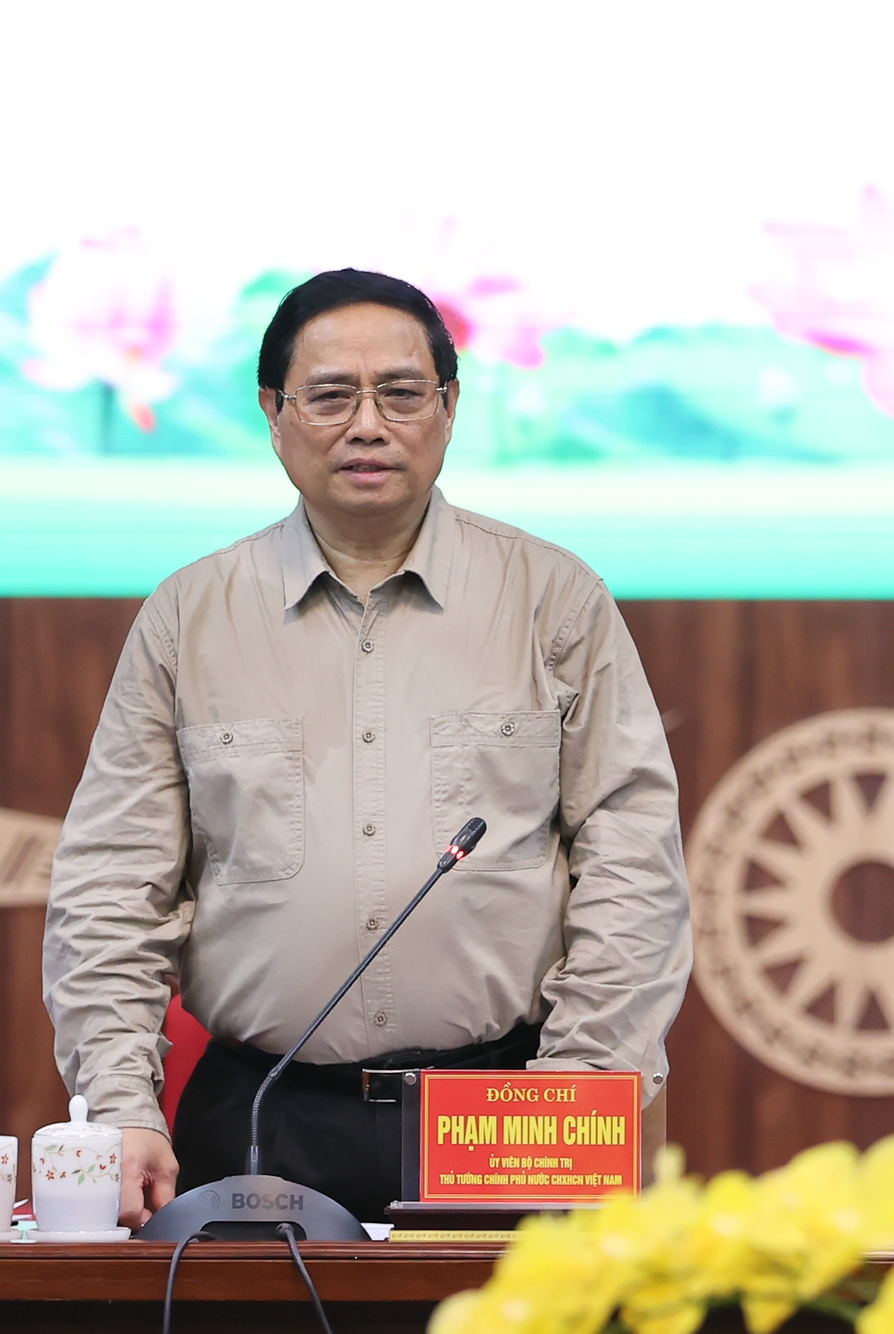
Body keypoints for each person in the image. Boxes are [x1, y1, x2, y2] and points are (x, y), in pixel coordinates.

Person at [43, 269, 691, 1226]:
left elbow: (632, 866)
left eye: (401, 393)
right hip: (263, 1114)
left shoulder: (555, 602)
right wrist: (120, 1106)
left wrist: (581, 1085)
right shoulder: (191, 618)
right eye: (330, 396)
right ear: (273, 414)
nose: (368, 426)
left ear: (450, 407)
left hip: (507, 1111)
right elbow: (109, 885)